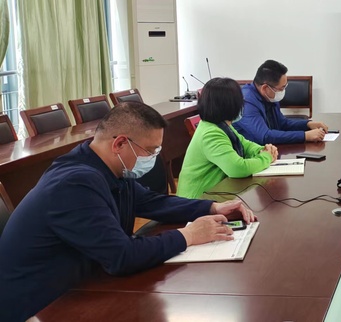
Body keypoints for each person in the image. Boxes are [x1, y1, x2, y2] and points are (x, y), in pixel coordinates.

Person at [0, 102, 256, 321]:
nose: (154, 158)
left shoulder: (104, 168)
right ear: (120, 143)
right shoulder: (74, 183)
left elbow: (153, 203)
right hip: (37, 307)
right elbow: (122, 256)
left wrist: (212, 206)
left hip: (80, 285)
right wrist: (188, 235)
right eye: (151, 151)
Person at [178, 77, 279, 199]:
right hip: (197, 202)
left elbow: (245, 145)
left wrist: (262, 149)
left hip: (215, 195)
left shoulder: (221, 126)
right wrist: (266, 157)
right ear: (231, 105)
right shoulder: (210, 134)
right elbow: (237, 168)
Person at [234, 59, 329, 145]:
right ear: (265, 88)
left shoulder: (270, 96)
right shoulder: (246, 102)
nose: (283, 92)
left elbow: (282, 123)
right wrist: (304, 136)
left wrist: (307, 124)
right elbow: (265, 136)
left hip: (270, 150)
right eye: (281, 88)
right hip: (247, 154)